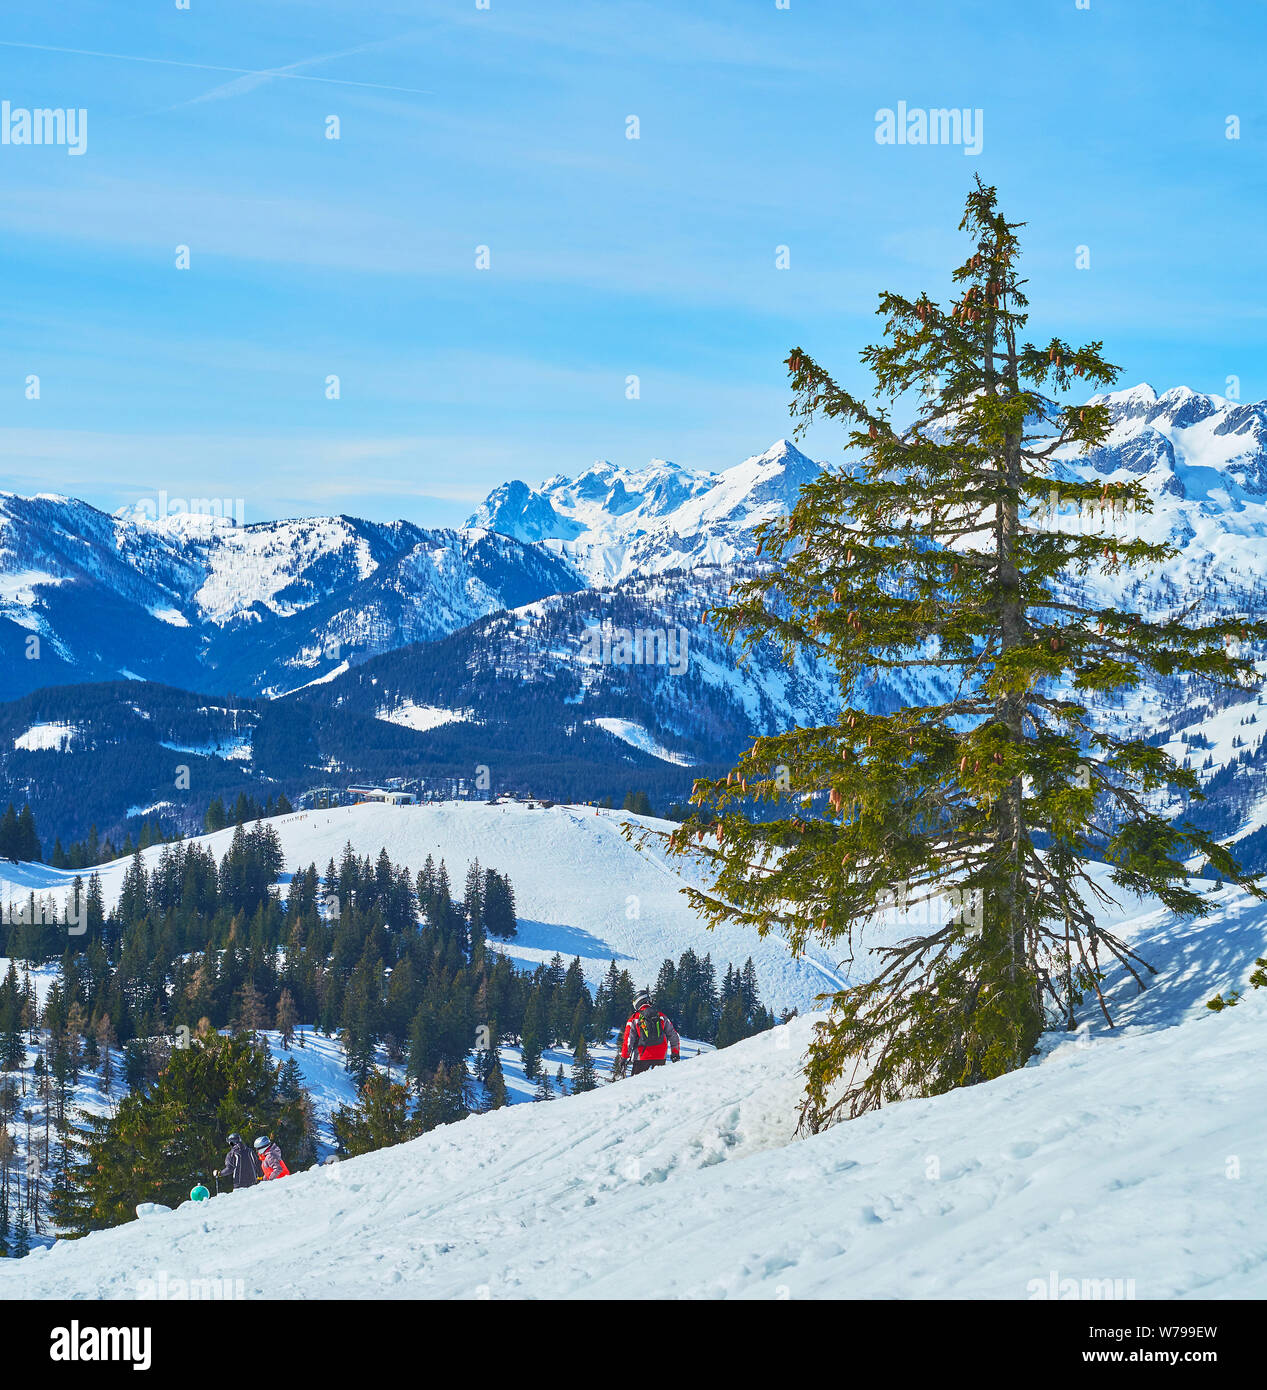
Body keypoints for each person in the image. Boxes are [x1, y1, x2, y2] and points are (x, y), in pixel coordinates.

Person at [618, 990, 681, 1077]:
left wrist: (624, 1058)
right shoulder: (661, 1016)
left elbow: (628, 1041)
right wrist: (675, 1053)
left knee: (636, 1086)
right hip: (660, 1056)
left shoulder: (634, 1019)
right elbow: (674, 1036)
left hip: (642, 1057)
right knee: (659, 1084)